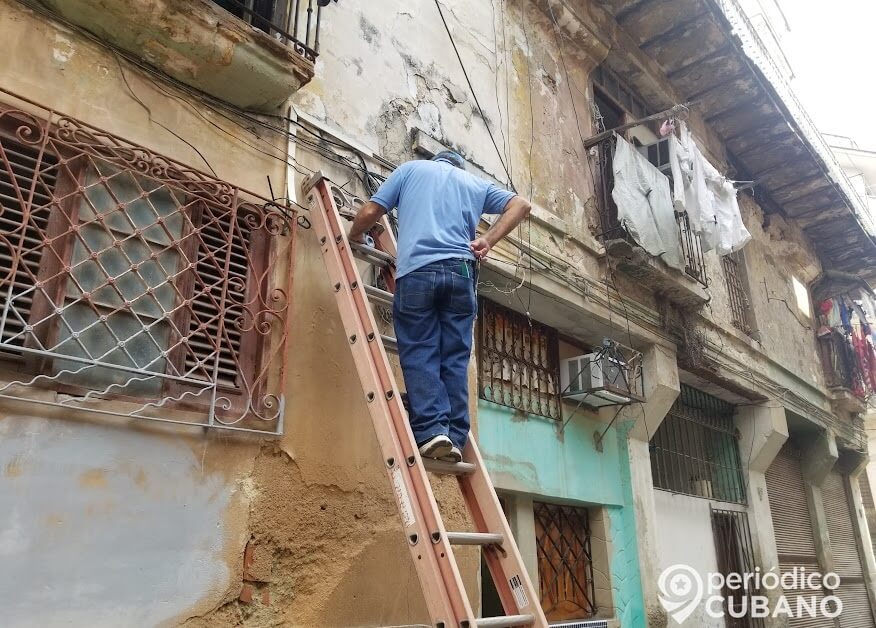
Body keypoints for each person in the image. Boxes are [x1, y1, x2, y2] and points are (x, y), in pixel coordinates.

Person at [348, 151, 531, 462]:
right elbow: (521, 205)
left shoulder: (410, 171)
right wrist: (488, 240)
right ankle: (456, 436)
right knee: (455, 357)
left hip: (418, 273)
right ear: (458, 166)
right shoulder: (474, 183)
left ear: (435, 161)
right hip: (461, 274)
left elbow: (370, 211)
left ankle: (433, 431)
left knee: (420, 349)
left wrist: (355, 234)